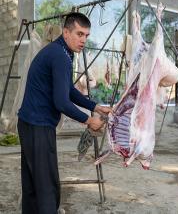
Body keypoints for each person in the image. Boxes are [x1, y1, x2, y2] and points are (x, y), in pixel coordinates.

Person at [17, 12, 112, 214]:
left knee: (33, 184)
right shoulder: (60, 56)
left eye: (86, 35)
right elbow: (61, 102)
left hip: (29, 123)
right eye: (79, 34)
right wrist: (89, 120)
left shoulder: (60, 52)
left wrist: (94, 106)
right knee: (46, 186)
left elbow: (68, 90)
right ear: (66, 32)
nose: (83, 40)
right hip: (38, 126)